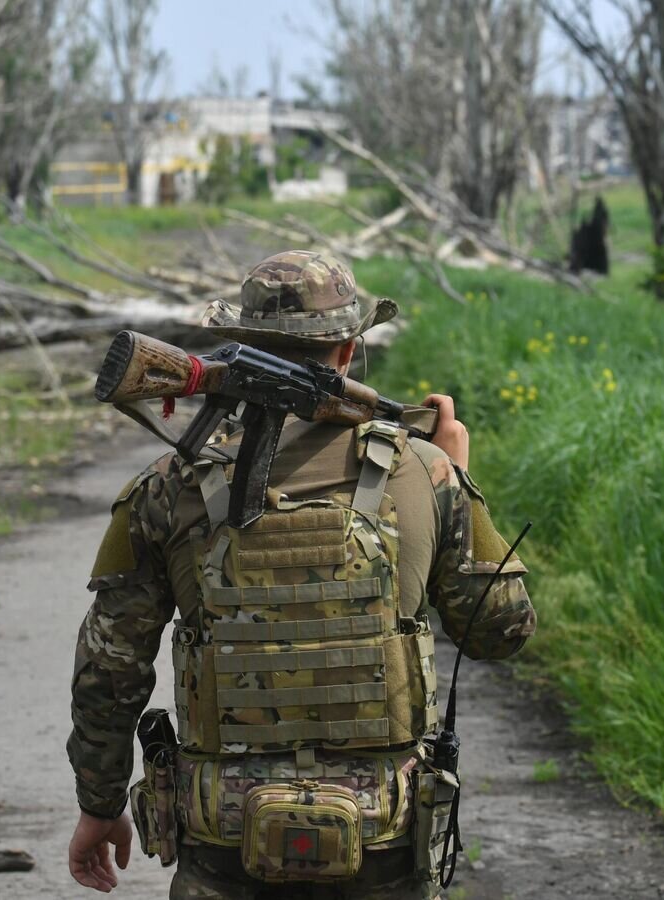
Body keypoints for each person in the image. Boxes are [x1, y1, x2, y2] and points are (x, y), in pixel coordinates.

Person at [67, 250, 536, 899]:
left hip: (223, 847)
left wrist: (98, 806)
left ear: (240, 343)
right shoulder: (424, 474)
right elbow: (501, 631)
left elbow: (108, 670)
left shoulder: (164, 488)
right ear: (348, 348)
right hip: (382, 843)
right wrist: (456, 475)